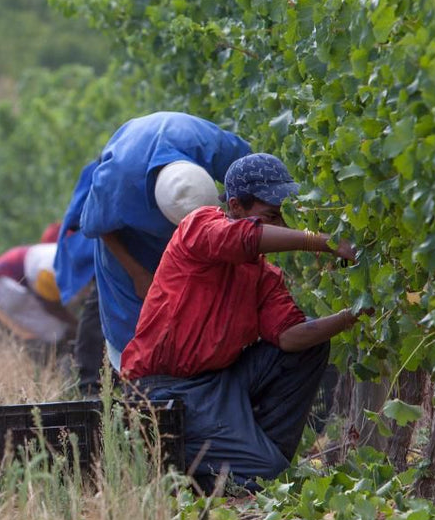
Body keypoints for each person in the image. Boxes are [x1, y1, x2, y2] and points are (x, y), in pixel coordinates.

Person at [123, 153, 359, 494]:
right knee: (264, 473)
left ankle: (257, 457)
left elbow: (291, 337)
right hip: (165, 391)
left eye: (281, 216)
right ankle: (206, 470)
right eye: (269, 216)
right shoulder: (198, 228)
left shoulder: (263, 274)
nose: (279, 225)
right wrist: (323, 242)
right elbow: (244, 238)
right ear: (235, 206)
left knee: (310, 343)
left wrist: (351, 315)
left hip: (218, 384)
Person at [79, 112, 252, 369]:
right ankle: (140, 385)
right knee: (134, 319)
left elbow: (253, 185)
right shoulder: (119, 180)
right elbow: (96, 225)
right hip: (130, 242)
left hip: (201, 232)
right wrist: (137, 273)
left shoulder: (215, 148)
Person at [54, 161, 104, 395]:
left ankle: (91, 382)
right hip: (102, 248)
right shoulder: (103, 174)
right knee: (98, 307)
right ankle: (90, 385)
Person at [0, 241, 76, 354]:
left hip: (7, 277)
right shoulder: (50, 270)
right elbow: (51, 305)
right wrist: (74, 323)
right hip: (8, 284)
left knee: (56, 329)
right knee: (56, 330)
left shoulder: (67, 251)